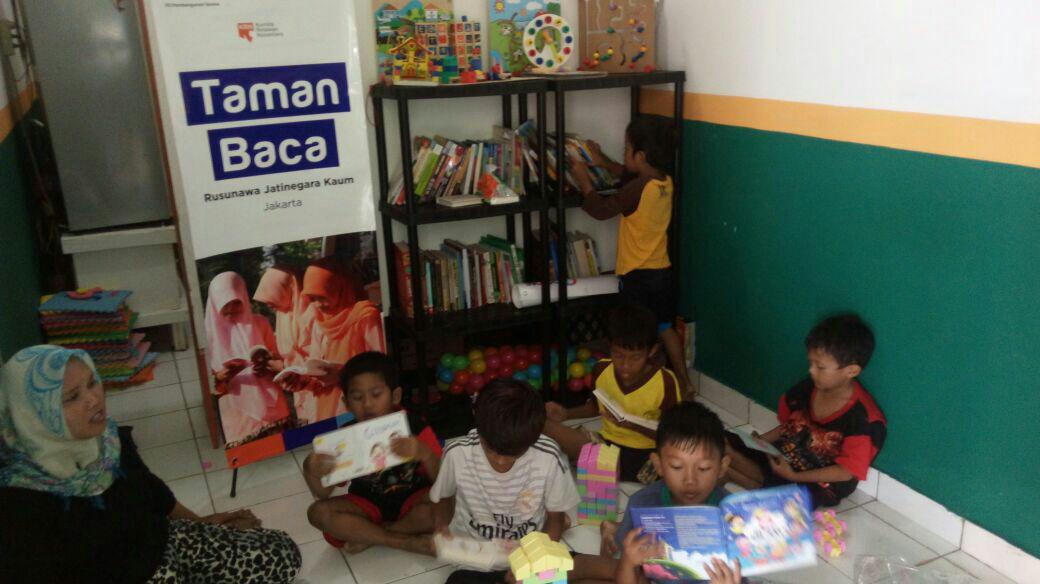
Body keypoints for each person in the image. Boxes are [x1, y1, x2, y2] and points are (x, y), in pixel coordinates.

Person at [0, 345, 301, 583]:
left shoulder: (108, 439)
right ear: (34, 415)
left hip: (165, 546)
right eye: (72, 397)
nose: (93, 399)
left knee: (284, 554)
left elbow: (149, 490)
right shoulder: (21, 500)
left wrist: (203, 523)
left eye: (92, 383)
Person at [571, 116, 692, 396]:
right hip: (661, 270)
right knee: (665, 326)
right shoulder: (664, 181)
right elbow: (627, 174)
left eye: (626, 149)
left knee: (634, 334)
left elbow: (602, 210)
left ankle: (636, 386)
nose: (624, 154)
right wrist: (603, 161)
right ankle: (684, 382)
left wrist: (585, 183)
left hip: (637, 274)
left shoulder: (637, 189)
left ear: (641, 156)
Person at [725, 314, 887, 508]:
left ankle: (730, 468)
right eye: (811, 363)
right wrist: (760, 441)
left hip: (819, 484)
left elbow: (845, 472)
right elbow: (790, 425)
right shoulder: (809, 387)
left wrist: (794, 475)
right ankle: (733, 469)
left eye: (820, 367)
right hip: (786, 456)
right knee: (724, 439)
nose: (811, 371)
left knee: (791, 493)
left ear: (851, 371)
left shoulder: (866, 421)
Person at [431, 379, 580, 584]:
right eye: (491, 449)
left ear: (534, 437)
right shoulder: (457, 454)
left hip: (528, 554)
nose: (501, 461)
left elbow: (556, 519)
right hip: (477, 561)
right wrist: (441, 527)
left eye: (514, 454)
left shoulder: (548, 456)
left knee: (577, 567)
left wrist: (532, 562)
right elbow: (444, 498)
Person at [569, 402, 737, 584]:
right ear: (658, 465)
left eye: (703, 468)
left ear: (722, 467)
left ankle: (609, 533)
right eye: (677, 467)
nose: (690, 480)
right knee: (586, 574)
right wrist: (628, 562)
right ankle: (603, 540)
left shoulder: (736, 514)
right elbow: (628, 577)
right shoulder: (642, 504)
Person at [304, 351, 442, 555]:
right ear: (346, 403)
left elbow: (442, 478)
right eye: (357, 397)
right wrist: (312, 470)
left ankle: (372, 535)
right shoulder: (345, 437)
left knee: (447, 502)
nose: (367, 404)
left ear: (395, 395)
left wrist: (425, 454)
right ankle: (400, 540)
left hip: (413, 501)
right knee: (318, 513)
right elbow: (322, 494)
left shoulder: (415, 426)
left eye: (376, 394)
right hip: (366, 505)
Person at [543, 305, 682, 483]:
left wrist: (633, 426)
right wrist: (566, 414)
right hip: (607, 444)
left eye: (635, 357)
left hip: (646, 455)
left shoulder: (665, 382)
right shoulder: (601, 369)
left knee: (679, 464)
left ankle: (601, 468)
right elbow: (595, 407)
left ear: (652, 351)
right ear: (610, 347)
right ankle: (602, 466)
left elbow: (673, 435)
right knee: (544, 425)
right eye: (618, 355)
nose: (625, 366)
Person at [204, 271, 292, 447]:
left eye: (236, 302)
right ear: (215, 302)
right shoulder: (207, 336)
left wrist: (267, 362)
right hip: (236, 411)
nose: (231, 308)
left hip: (272, 405)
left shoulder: (260, 322)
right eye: (225, 303)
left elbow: (277, 356)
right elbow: (204, 383)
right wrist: (220, 377)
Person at [299, 257, 385, 424]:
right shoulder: (319, 322)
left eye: (322, 297)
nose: (318, 305)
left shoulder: (364, 316)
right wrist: (303, 380)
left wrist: (343, 374)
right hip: (326, 408)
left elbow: (380, 366)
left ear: (339, 289)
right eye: (312, 299)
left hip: (360, 405)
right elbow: (315, 365)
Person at [253, 264, 314, 368]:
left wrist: (284, 366)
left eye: (273, 297)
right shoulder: (283, 312)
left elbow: (314, 356)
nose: (269, 305)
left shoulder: (311, 313)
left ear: (287, 290)